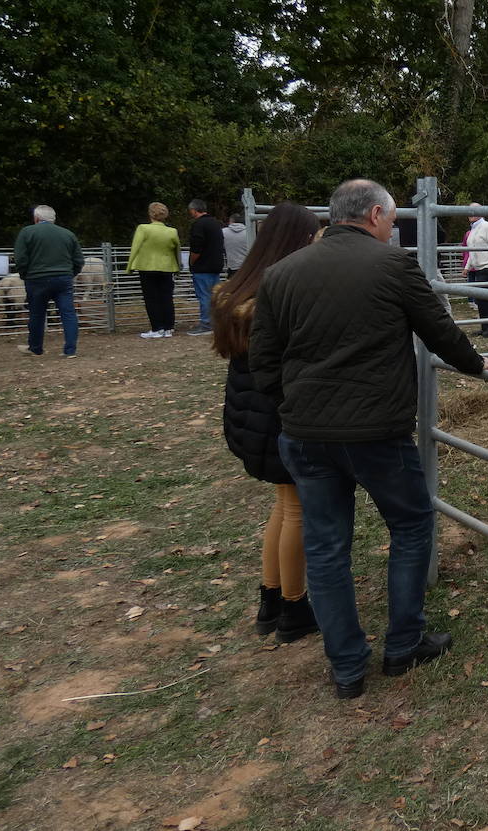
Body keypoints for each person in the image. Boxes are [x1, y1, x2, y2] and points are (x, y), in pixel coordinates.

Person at [248, 179, 488, 699]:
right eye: (392, 220)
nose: (393, 228)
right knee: (410, 526)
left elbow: (263, 362)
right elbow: (439, 330)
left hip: (306, 435)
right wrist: (476, 365)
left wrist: (295, 406)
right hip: (376, 434)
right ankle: (404, 644)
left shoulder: (280, 274)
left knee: (326, 545)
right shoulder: (392, 266)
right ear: (377, 216)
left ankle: (346, 666)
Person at [212, 202, 322, 643]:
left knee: (283, 506)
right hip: (277, 416)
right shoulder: (278, 297)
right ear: (296, 242)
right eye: (312, 237)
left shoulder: (236, 293)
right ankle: (294, 609)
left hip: (248, 415)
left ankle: (271, 598)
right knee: (298, 510)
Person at [13, 204, 84, 358]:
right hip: (63, 279)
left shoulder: (27, 232)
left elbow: (21, 259)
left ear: (36, 218)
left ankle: (36, 348)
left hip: (36, 279)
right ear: (53, 219)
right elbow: (78, 260)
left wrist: (25, 275)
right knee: (68, 313)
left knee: (37, 314)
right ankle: (70, 350)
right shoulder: (68, 234)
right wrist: (70, 274)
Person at [125, 202, 182, 338]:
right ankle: (169, 328)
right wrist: (178, 267)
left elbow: (135, 248)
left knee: (151, 298)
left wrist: (130, 266)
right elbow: (177, 250)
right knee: (167, 297)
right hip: (167, 268)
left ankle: (157, 328)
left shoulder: (143, 228)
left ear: (150, 214)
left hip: (147, 267)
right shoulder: (172, 231)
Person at [463, 204, 488, 337]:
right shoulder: (473, 229)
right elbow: (472, 251)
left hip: (487, 266)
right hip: (478, 267)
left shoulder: (487, 227)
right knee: (481, 298)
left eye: (474, 211)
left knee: (483, 298)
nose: (471, 214)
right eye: (469, 211)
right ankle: (487, 325)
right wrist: (467, 267)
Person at [187, 199, 225, 335]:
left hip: (203, 266)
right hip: (216, 264)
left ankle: (206, 324)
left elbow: (196, 247)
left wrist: (192, 261)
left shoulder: (199, 225)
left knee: (204, 295)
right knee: (214, 295)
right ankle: (216, 322)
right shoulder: (216, 223)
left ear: (193, 210)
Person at [223, 213, 249, 278]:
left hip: (232, 267)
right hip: (247, 267)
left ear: (231, 221)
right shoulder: (249, 232)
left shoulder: (223, 232)